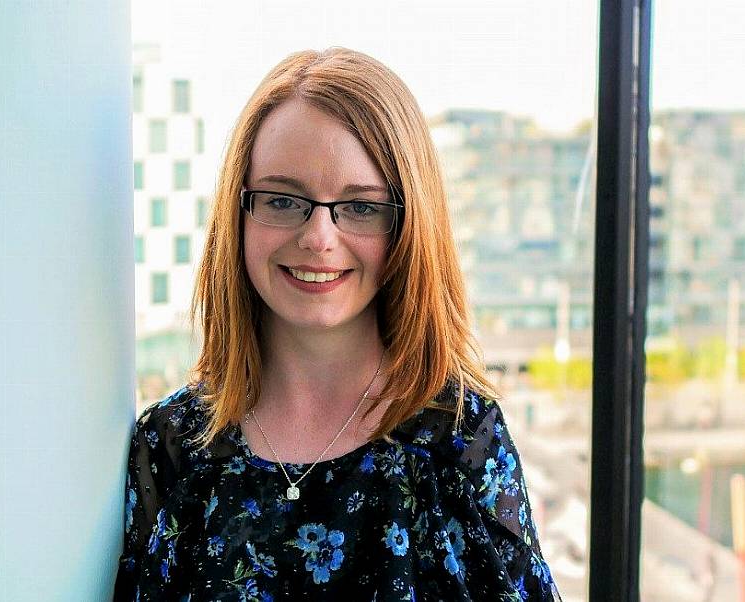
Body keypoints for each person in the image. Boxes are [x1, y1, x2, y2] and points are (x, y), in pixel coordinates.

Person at [114, 47, 560, 601]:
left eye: (361, 207)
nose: (319, 238)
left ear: (409, 226)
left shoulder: (460, 440)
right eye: (282, 199)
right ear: (238, 213)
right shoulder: (170, 446)